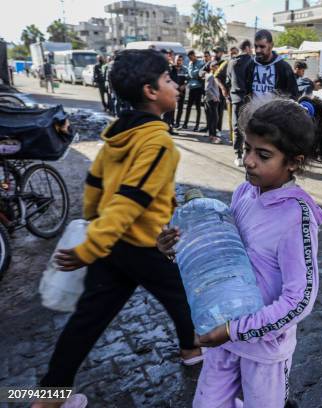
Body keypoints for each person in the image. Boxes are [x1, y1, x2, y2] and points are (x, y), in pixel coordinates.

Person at [32, 49, 203, 408]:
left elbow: (94, 189)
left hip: (111, 247)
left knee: (87, 321)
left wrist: (95, 235)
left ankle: (49, 396)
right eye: (169, 80)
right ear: (151, 91)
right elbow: (128, 202)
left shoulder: (117, 135)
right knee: (183, 296)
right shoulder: (158, 142)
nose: (177, 85)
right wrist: (88, 248)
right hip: (144, 245)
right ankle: (191, 349)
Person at [157, 96, 322, 408]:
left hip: (264, 351)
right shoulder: (243, 192)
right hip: (225, 337)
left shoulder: (297, 217)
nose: (249, 160)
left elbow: (300, 300)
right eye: (247, 148)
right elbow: (221, 257)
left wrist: (233, 330)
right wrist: (176, 251)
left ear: (293, 161)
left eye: (263, 155)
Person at [245, 29, 298, 99]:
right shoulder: (250, 65)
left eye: (262, 47)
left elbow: (293, 93)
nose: (258, 50)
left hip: (276, 109)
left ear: (271, 45)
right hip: (253, 109)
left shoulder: (284, 67)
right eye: (256, 46)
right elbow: (244, 90)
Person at [228, 39, 254, 167]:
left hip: (235, 99)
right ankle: (246, 153)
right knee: (248, 127)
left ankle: (238, 155)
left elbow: (228, 79)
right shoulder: (252, 61)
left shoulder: (231, 62)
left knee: (237, 126)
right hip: (249, 99)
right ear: (248, 48)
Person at [182, 50, 204, 131]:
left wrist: (193, 75)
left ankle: (197, 125)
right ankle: (185, 124)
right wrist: (189, 75)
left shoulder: (201, 63)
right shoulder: (190, 63)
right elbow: (189, 74)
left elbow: (198, 74)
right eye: (189, 58)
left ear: (194, 55)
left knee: (198, 107)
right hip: (191, 87)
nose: (191, 59)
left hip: (198, 87)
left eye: (192, 57)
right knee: (188, 107)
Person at [204, 60, 222, 143]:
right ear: (211, 67)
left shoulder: (215, 76)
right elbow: (207, 89)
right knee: (214, 119)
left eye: (218, 66)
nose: (217, 67)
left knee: (214, 119)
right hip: (211, 100)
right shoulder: (210, 76)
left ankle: (212, 136)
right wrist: (214, 97)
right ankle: (213, 137)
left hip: (215, 100)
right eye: (215, 66)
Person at [173, 55, 189, 128]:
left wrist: (184, 85)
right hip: (172, 90)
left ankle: (177, 122)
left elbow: (188, 78)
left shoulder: (185, 69)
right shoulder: (172, 68)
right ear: (175, 60)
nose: (179, 62)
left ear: (182, 61)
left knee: (180, 107)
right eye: (177, 60)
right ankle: (171, 122)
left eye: (180, 60)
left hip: (182, 90)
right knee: (171, 106)